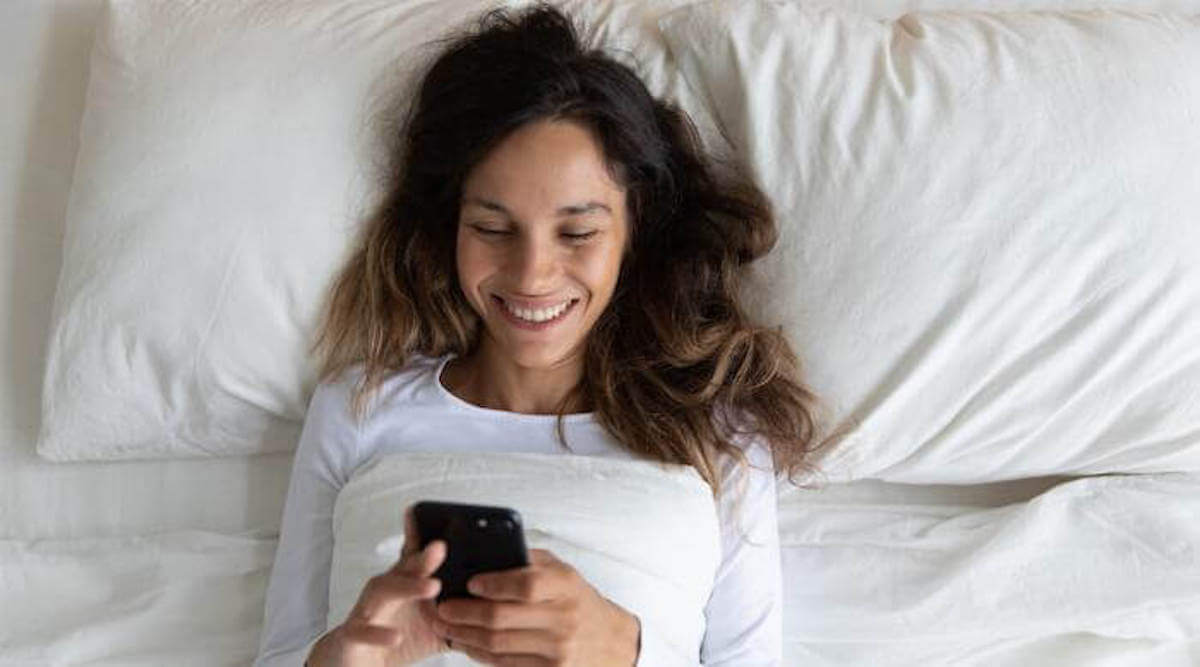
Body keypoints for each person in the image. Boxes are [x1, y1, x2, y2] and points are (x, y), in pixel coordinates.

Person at [255, 3, 836, 665]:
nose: (532, 274)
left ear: (634, 229)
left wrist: (620, 650)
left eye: (577, 232)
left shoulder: (720, 434)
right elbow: (280, 652)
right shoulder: (357, 408)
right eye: (493, 228)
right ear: (450, 226)